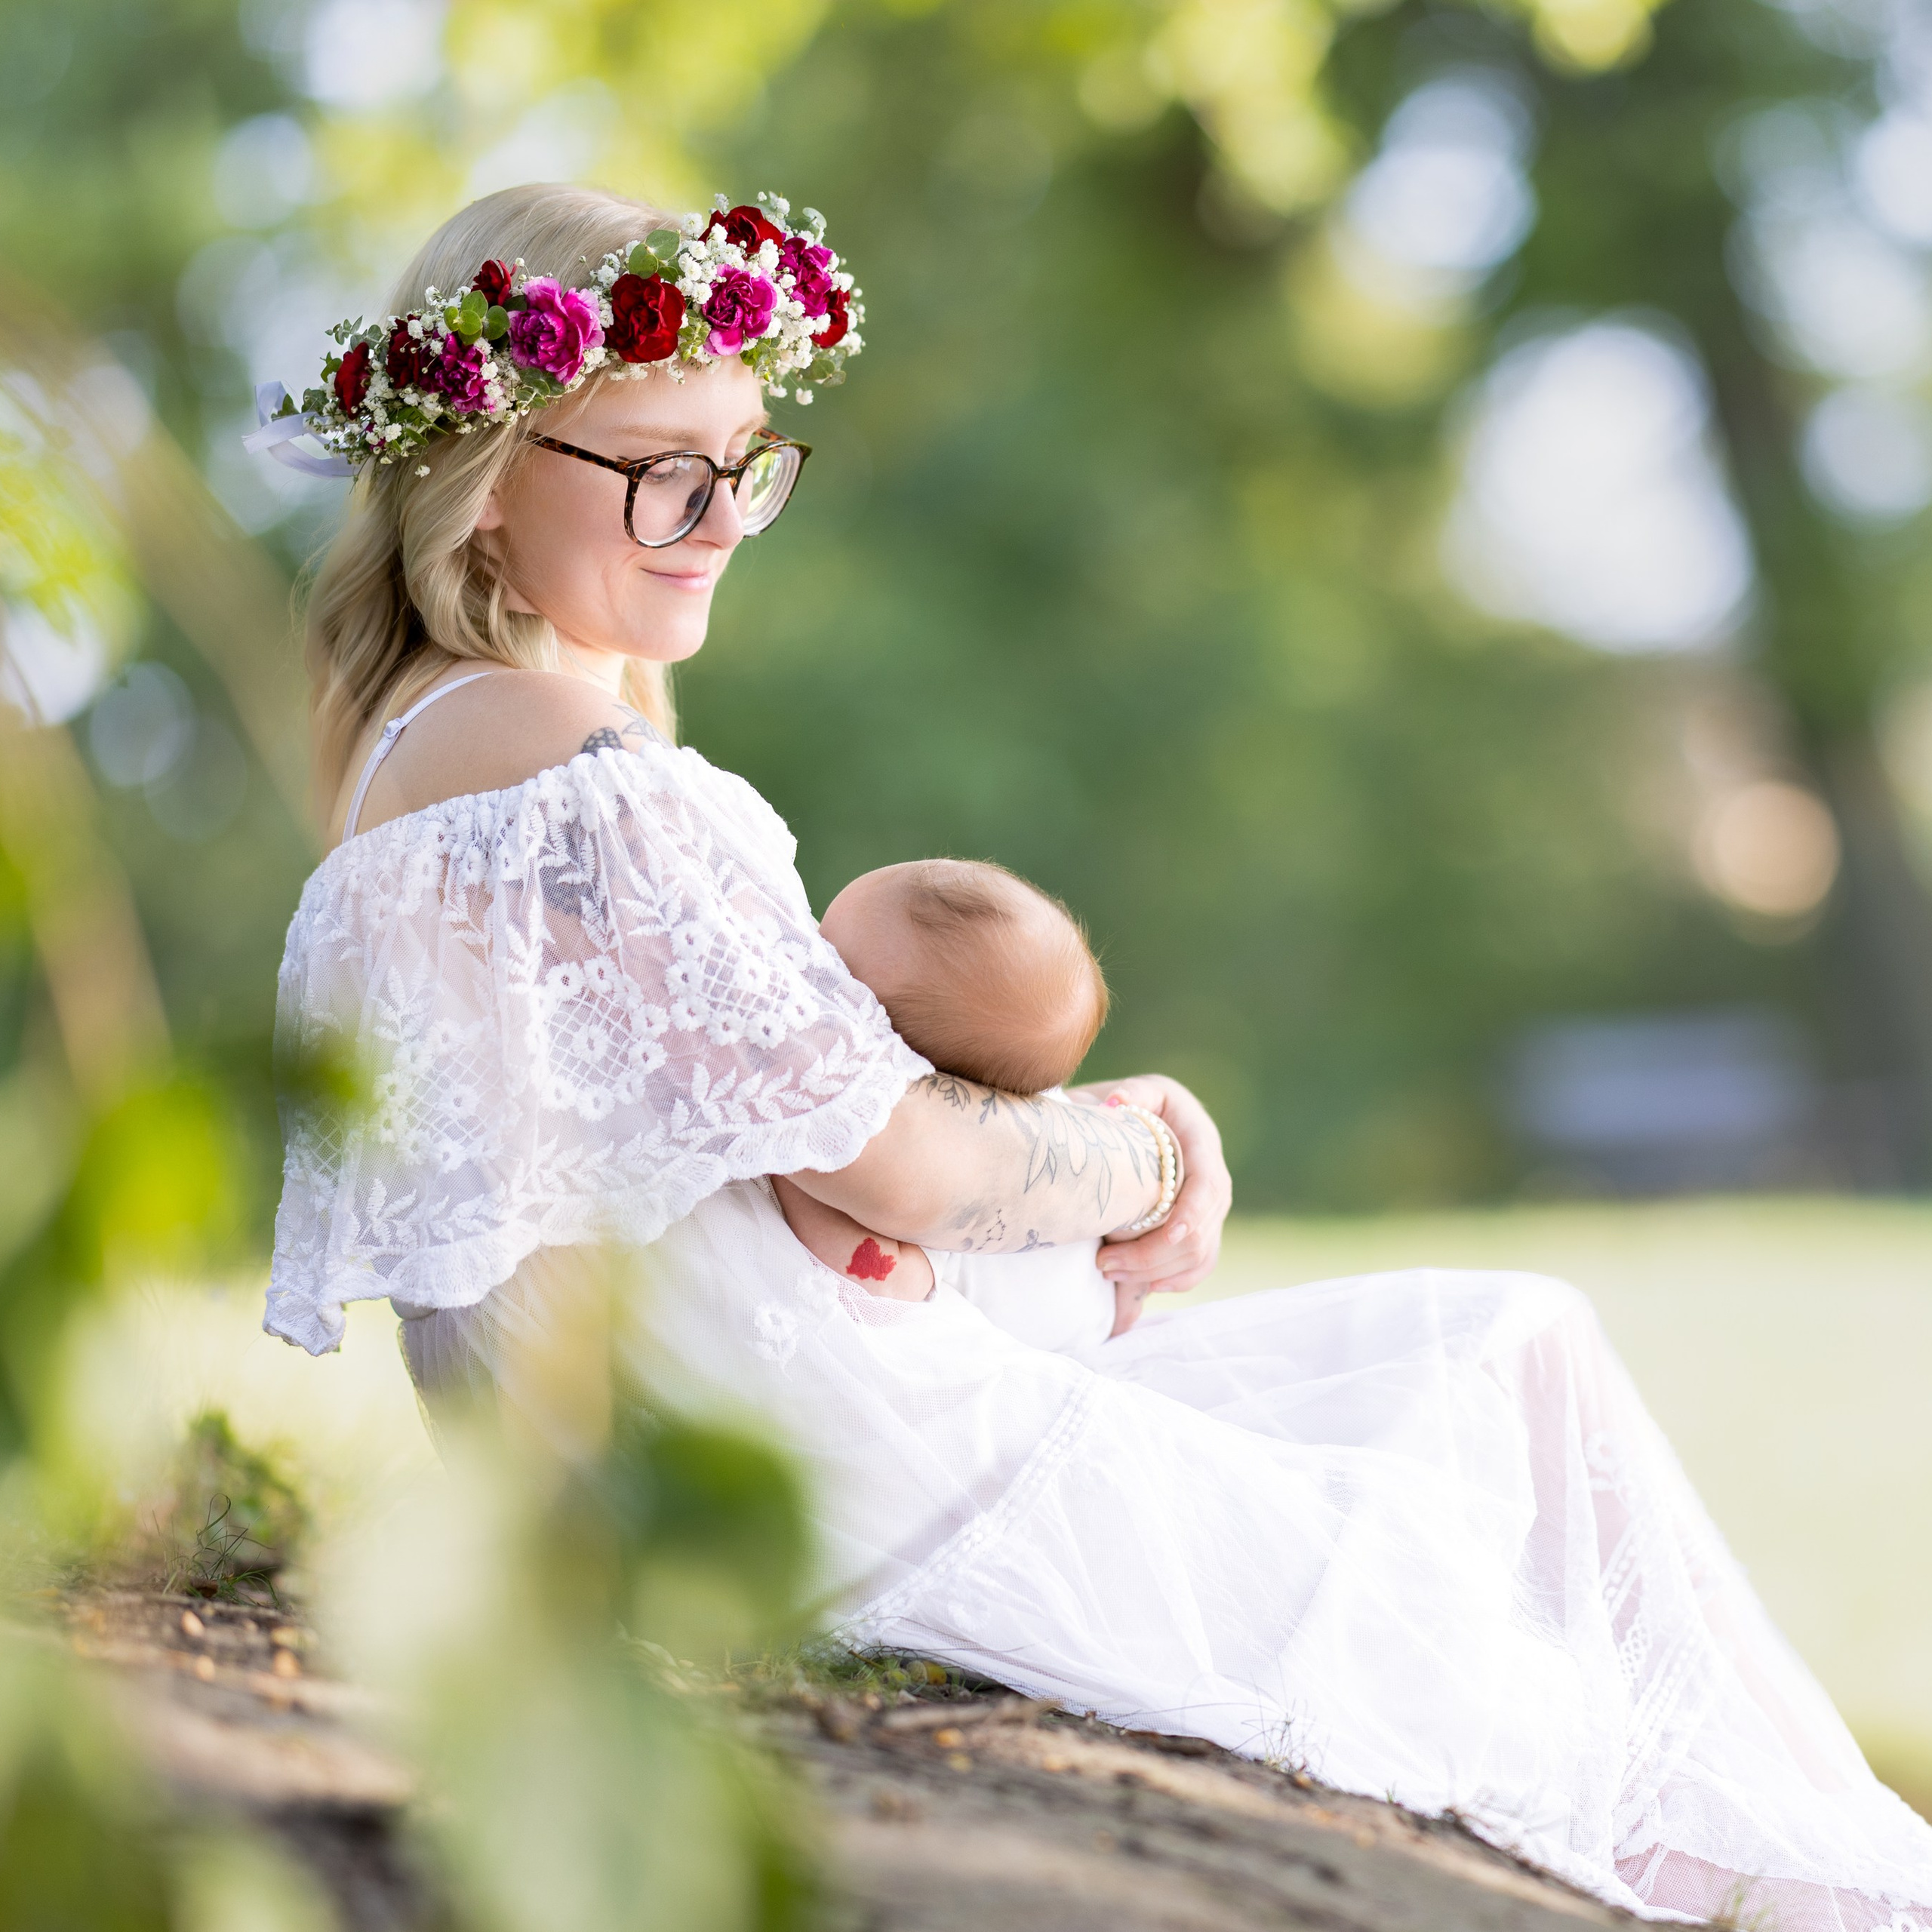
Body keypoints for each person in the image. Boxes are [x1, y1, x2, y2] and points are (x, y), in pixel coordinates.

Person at [260, 181, 1932, 1925]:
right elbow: (888, 1157)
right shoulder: (556, 758)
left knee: (1509, 1356)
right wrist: (1137, 1158)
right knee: (1500, 1429)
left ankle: (1830, 1873)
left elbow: (775, 1154)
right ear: (487, 462)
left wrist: (1063, 1143)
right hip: (818, 1487)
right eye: (658, 468)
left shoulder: (428, 756)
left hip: (743, 1450)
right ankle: (1825, 1889)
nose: (715, 519)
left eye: (743, 462)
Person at [772, 857, 1133, 1354]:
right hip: (1099, 1321)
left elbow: (879, 1285)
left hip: (1033, 1374)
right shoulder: (1030, 1088)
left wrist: (790, 1146)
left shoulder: (938, 1170)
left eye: (829, 969)